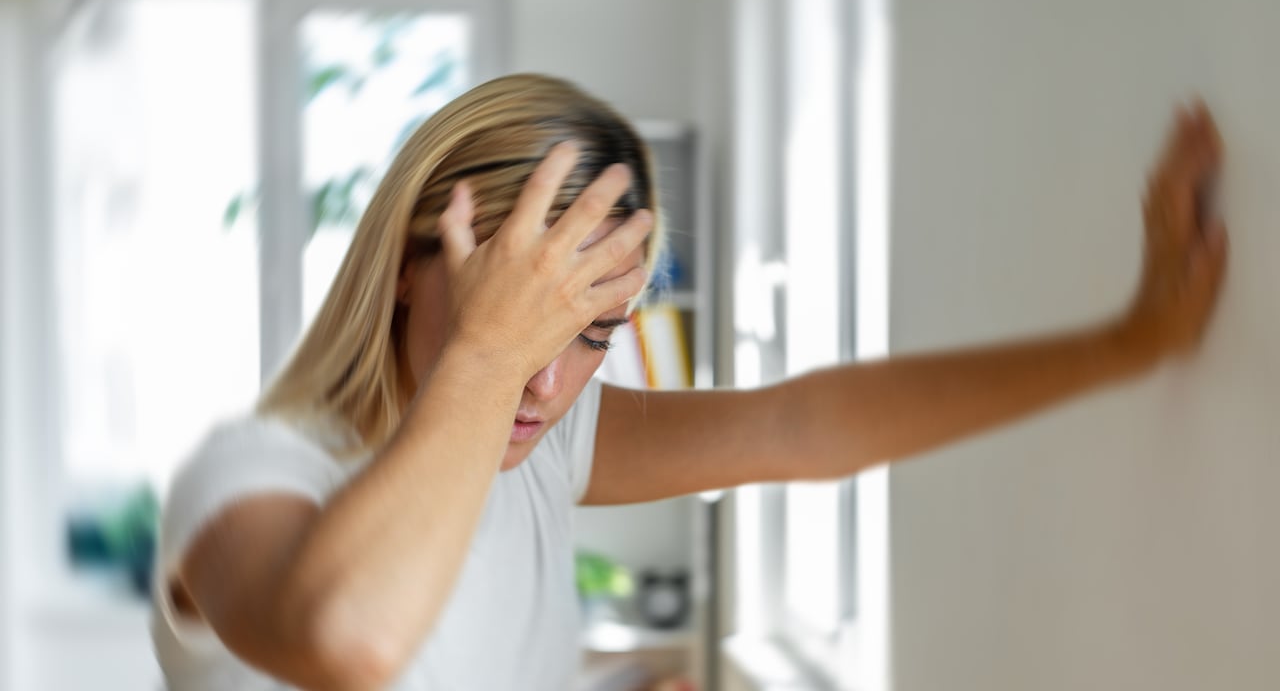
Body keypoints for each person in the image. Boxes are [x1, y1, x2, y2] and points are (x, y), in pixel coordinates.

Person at [151, 73, 1227, 691]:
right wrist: (486, 349)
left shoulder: (531, 451)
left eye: (591, 331)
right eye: (513, 309)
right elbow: (352, 634)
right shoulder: (246, 477)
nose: (543, 379)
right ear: (402, 267)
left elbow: (802, 424)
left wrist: (1129, 342)